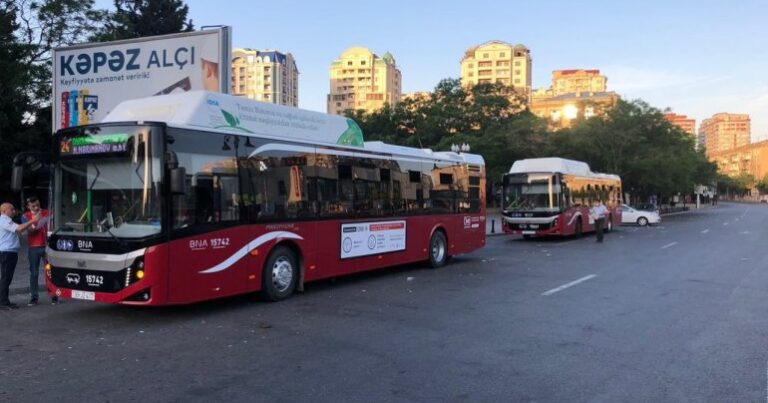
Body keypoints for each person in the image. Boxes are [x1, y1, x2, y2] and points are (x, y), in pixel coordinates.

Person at [0, 202, 39, 310]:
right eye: (11, 209)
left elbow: (19, 230)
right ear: (4, 211)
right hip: (7, 253)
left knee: (7, 277)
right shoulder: (4, 220)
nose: (13, 211)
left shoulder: (8, 220)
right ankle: (2, 302)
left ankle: (5, 301)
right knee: (5, 278)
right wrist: (32, 220)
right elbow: (19, 229)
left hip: (9, 252)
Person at [21, 197, 53, 306]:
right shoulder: (25, 216)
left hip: (47, 247)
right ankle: (34, 297)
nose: (36, 207)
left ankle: (54, 295)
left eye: (38, 205)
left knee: (50, 271)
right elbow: (31, 231)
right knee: (34, 273)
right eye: (33, 206)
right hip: (33, 248)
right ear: (28, 206)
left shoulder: (47, 212)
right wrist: (36, 220)